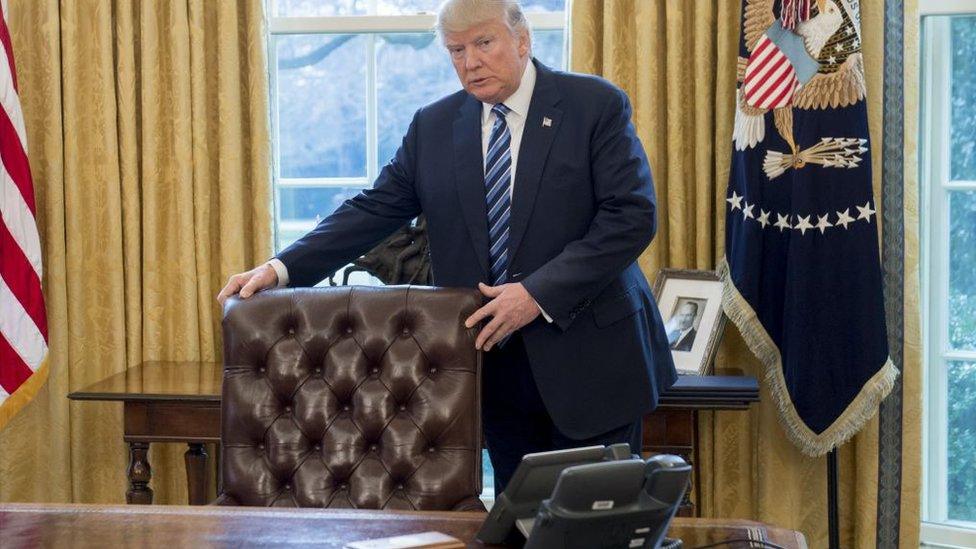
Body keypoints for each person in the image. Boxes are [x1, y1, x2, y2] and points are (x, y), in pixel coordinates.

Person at [217, 0, 677, 494]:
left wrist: (536, 294)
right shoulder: (433, 127)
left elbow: (630, 217)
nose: (470, 62)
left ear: (522, 41)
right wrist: (280, 267)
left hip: (593, 361)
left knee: (598, 525)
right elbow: (372, 210)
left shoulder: (593, 105)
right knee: (519, 520)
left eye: (483, 43)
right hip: (494, 366)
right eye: (456, 50)